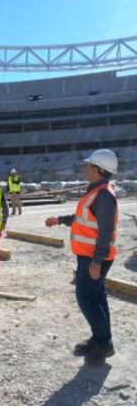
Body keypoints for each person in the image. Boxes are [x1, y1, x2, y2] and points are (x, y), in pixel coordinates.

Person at [45, 149, 118, 365]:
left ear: (97, 169)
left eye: (88, 166)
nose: (85, 168)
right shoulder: (96, 191)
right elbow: (83, 218)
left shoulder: (104, 196)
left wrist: (96, 261)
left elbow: (105, 232)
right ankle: (100, 339)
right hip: (88, 256)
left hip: (95, 258)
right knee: (96, 297)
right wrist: (60, 220)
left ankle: (104, 344)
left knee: (86, 298)